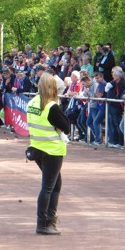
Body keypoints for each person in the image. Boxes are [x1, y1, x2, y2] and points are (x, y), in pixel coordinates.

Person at [27, 73, 70, 235]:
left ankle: (49, 220)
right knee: (48, 187)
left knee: (55, 185)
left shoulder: (32, 102)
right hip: (51, 150)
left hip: (37, 147)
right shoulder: (52, 106)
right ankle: (44, 222)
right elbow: (66, 127)